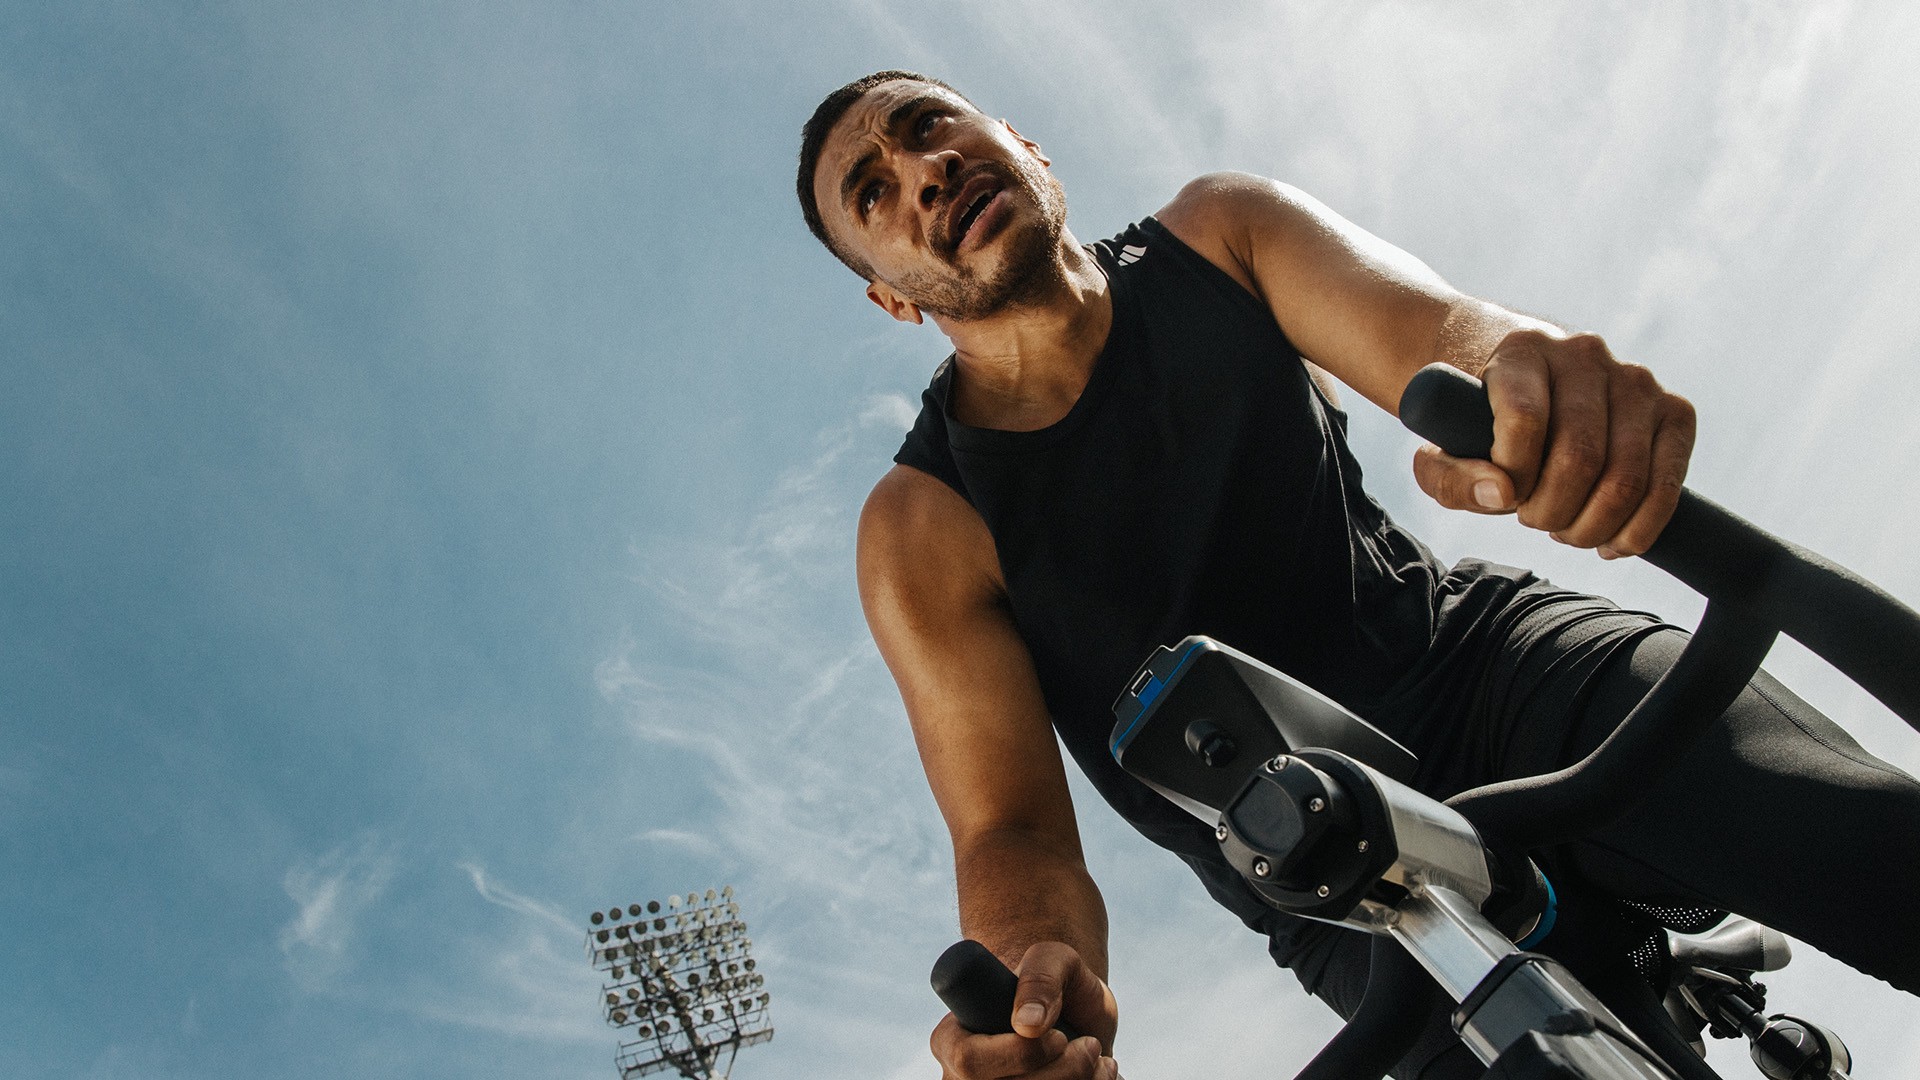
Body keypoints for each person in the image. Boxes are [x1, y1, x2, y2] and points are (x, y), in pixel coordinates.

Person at [795, 71, 1920, 1079]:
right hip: (1328, 869)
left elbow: (1443, 337)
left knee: (1863, 851)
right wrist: (1034, 989)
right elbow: (1012, 831)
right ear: (894, 299)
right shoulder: (922, 526)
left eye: (928, 125)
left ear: (1021, 142)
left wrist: (1526, 381)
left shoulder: (1218, 234)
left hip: (1489, 670)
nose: (924, 172)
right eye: (875, 194)